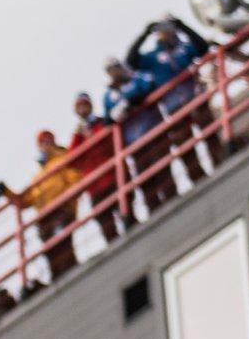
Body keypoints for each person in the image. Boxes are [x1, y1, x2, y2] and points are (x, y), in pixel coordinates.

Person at [127, 14, 220, 176]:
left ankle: (220, 161)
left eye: (168, 28)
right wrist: (145, 33)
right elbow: (131, 60)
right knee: (185, 145)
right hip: (174, 106)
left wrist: (181, 25)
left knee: (210, 132)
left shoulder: (183, 48)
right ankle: (197, 176)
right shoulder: (153, 57)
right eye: (162, 30)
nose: (166, 32)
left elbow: (202, 47)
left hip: (195, 98)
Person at [0, 130, 81, 288]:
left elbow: (75, 179)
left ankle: (72, 274)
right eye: (42, 143)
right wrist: (6, 191)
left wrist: (68, 201)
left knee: (62, 244)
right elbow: (26, 200)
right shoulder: (39, 175)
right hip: (45, 217)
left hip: (62, 209)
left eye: (47, 141)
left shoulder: (62, 159)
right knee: (50, 250)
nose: (45, 145)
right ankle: (57, 279)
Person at [103, 56, 174, 215]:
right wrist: (115, 115)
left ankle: (172, 198)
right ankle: (154, 210)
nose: (114, 72)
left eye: (116, 68)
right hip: (134, 143)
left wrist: (129, 102)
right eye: (110, 70)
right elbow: (107, 120)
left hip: (153, 131)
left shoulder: (136, 79)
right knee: (144, 177)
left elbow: (148, 88)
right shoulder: (109, 95)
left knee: (163, 168)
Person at [69, 94, 130, 243]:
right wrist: (79, 136)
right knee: (106, 224)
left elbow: (112, 142)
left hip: (114, 177)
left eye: (85, 105)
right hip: (95, 187)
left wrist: (92, 135)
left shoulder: (102, 123)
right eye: (79, 107)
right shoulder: (78, 136)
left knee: (127, 213)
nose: (83, 109)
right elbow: (71, 161)